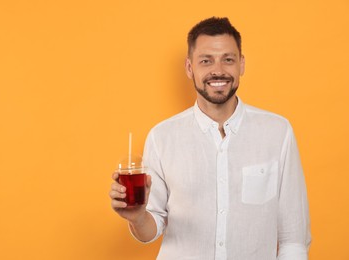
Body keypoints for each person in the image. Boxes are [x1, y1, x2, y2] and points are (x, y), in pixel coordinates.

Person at [109, 17, 311, 260]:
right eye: (206, 61)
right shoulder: (162, 137)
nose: (218, 70)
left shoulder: (278, 132)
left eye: (228, 59)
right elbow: (151, 228)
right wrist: (138, 217)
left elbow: (293, 239)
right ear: (189, 67)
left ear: (242, 65)